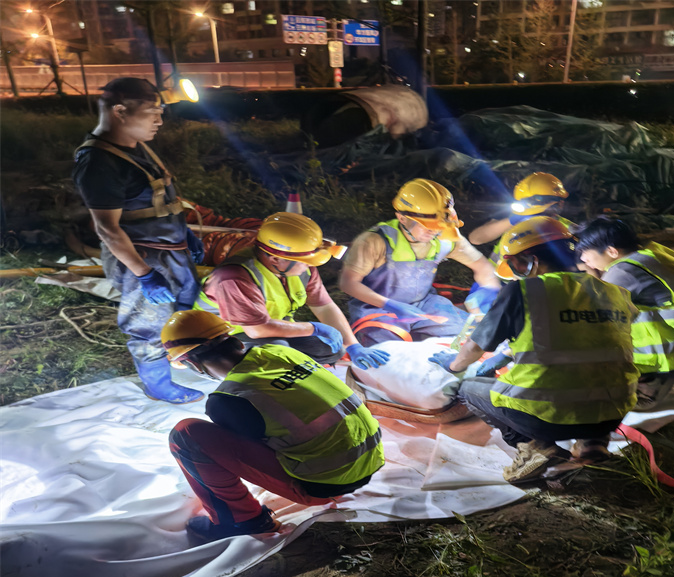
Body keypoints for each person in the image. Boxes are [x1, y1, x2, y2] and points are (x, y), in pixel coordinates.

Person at [430, 217, 639, 482]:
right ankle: (592, 445)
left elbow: (475, 345)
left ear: (532, 260)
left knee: (470, 389)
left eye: (515, 263)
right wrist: (507, 353)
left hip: (548, 418)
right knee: (594, 376)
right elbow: (584, 336)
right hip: (613, 414)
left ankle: (537, 448)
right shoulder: (614, 292)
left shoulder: (525, 291)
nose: (516, 271)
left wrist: (453, 365)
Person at [161, 310, 385, 542]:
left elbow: (249, 448)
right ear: (235, 339)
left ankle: (241, 521)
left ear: (193, 364)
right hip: (371, 458)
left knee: (186, 435)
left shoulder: (228, 399)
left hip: (325, 484)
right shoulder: (279, 351)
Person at [72, 77, 204, 404]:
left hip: (172, 251)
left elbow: (154, 202)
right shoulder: (99, 162)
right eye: (152, 112)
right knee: (149, 322)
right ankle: (158, 385)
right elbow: (107, 229)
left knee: (185, 306)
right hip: (143, 258)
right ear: (120, 111)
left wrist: (184, 232)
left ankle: (182, 356)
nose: (160, 120)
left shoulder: (135, 147)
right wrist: (144, 274)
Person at [195, 212, 389, 370]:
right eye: (306, 262)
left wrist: (353, 346)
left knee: (330, 349)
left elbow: (324, 305)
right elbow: (257, 329)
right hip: (220, 343)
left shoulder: (299, 266)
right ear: (275, 259)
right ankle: (223, 373)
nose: (310, 267)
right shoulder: (233, 276)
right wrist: (314, 328)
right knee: (280, 351)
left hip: (263, 330)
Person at [576, 217, 674, 410]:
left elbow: (592, 313)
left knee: (587, 334)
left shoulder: (623, 272)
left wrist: (588, 276)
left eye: (586, 254)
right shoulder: (656, 254)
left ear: (612, 251)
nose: (583, 259)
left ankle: (648, 383)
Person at [339, 179, 500, 345]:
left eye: (439, 226)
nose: (435, 231)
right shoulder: (374, 241)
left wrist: (488, 289)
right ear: (402, 217)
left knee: (467, 339)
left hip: (425, 305)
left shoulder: (445, 237)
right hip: (378, 309)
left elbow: (482, 267)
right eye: (427, 226)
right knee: (386, 353)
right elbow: (348, 283)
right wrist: (390, 305)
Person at [468, 172, 572, 279]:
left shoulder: (564, 230)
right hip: (492, 278)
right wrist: (511, 221)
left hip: (533, 286)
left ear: (558, 204)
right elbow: (475, 238)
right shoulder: (511, 218)